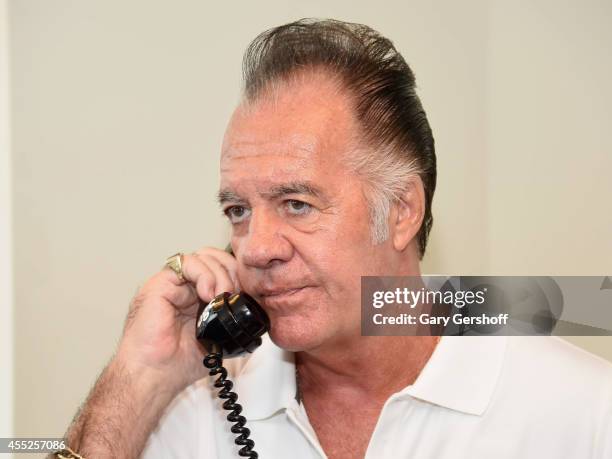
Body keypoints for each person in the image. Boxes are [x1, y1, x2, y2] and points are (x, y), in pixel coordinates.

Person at [58, 19, 612, 459]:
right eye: (238, 210)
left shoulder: (584, 413)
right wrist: (137, 378)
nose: (255, 248)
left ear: (401, 211)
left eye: (297, 204)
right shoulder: (193, 400)